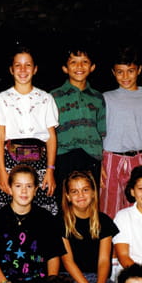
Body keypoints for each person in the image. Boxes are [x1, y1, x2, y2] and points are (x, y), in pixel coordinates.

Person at [0, 165, 65, 283]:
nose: (24, 191)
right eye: (18, 186)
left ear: (36, 190)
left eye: (29, 186)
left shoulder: (46, 218)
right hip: (6, 279)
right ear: (10, 189)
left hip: (37, 280)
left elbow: (53, 257)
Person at [100, 46, 142, 219]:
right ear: (113, 72)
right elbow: (96, 136)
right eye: (120, 72)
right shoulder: (105, 98)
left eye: (130, 71)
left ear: (139, 70)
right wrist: (100, 165)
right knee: (108, 212)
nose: (125, 76)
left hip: (140, 161)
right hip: (110, 161)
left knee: (139, 212)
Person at [0, 46, 59, 215]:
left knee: (41, 210)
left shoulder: (46, 98)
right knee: (8, 208)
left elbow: (51, 137)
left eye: (28, 65)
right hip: (10, 161)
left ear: (35, 69)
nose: (23, 70)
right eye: (18, 65)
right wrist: (1, 172)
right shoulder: (1, 99)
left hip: (40, 162)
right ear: (11, 69)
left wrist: (50, 170)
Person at [59, 170, 121, 283]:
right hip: (70, 277)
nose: (81, 195)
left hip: (98, 277)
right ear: (68, 196)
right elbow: (68, 261)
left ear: (93, 193)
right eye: (75, 191)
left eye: (85, 190)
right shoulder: (60, 221)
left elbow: (104, 260)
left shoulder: (104, 221)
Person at [50, 46, 106, 194]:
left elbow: (102, 133)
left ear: (92, 67)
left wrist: (102, 164)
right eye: (73, 62)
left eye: (85, 62)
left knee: (90, 199)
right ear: (65, 68)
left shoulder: (98, 97)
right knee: (65, 199)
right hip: (63, 157)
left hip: (91, 158)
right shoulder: (53, 97)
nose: (79, 66)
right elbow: (48, 134)